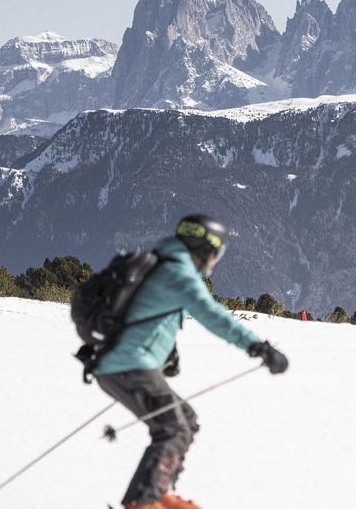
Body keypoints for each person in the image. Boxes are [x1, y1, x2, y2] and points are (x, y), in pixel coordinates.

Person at [93, 214, 289, 509]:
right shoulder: (179, 274)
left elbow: (151, 316)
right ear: (207, 250)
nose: (215, 261)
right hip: (130, 366)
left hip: (123, 364)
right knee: (173, 428)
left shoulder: (160, 266)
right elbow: (213, 315)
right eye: (217, 253)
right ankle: (143, 503)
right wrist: (257, 347)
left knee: (186, 419)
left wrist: (165, 352)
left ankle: (159, 491)